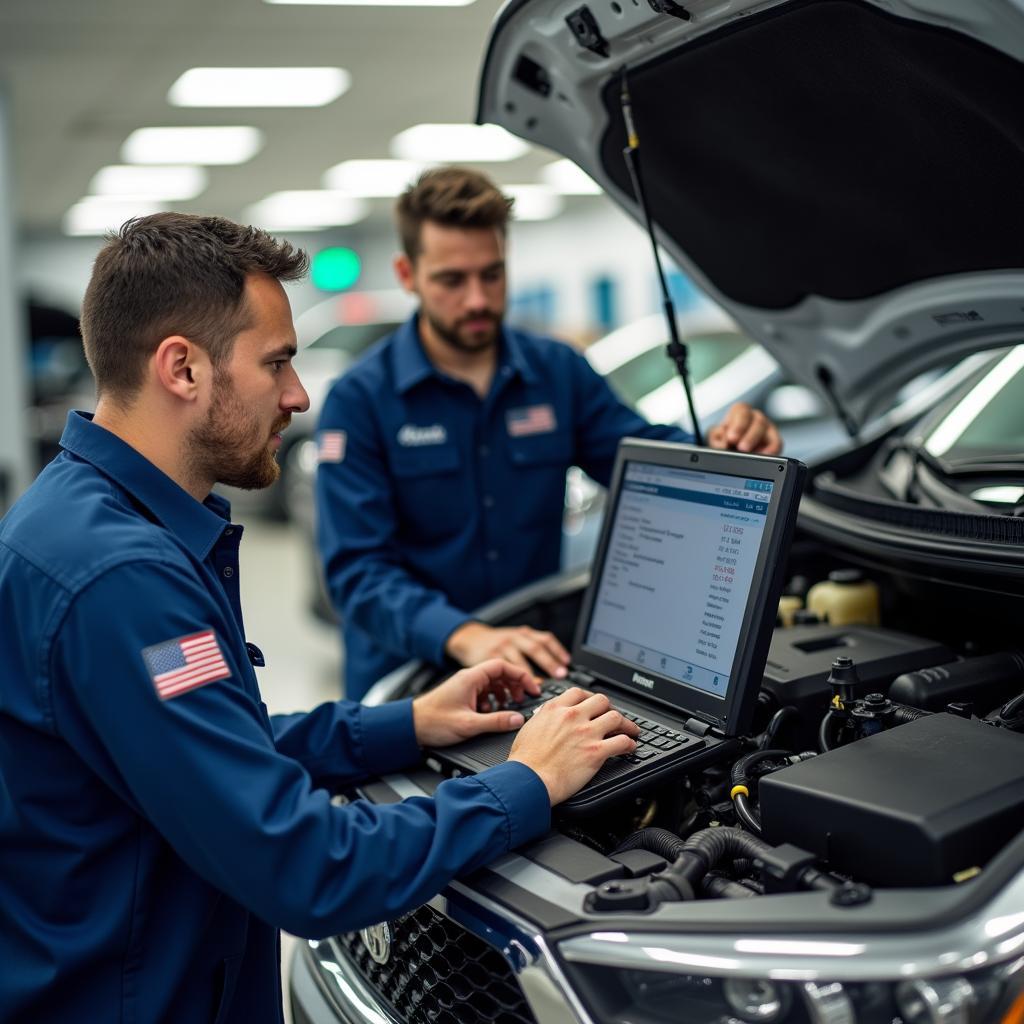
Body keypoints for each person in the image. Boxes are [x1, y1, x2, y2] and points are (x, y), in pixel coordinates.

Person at [0, 213, 640, 1024]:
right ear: (181, 368)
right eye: (277, 364)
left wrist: (405, 724)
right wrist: (528, 782)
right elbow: (305, 865)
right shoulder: (123, 580)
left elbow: (203, 749)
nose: (299, 396)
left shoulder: (84, 519)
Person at [316, 166, 783, 700]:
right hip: (408, 685)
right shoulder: (360, 401)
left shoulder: (556, 373)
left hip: (527, 671)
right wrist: (463, 636)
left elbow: (642, 458)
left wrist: (727, 450)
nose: (477, 299)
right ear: (407, 274)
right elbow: (358, 573)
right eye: (452, 280)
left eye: (492, 275)